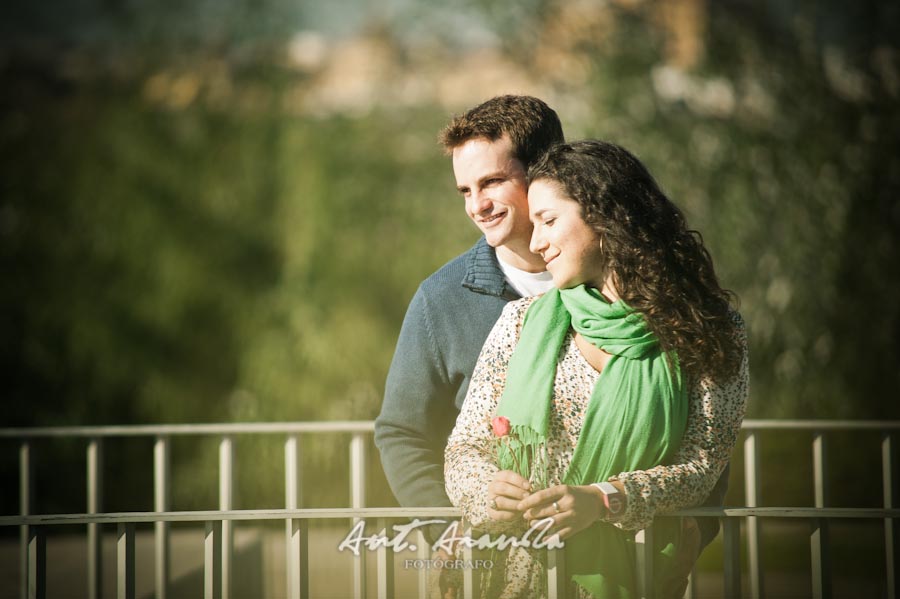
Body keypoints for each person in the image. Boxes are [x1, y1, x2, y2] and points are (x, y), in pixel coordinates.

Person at [445, 140, 749, 598]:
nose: (536, 241)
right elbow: (464, 449)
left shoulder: (708, 328)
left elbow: (702, 466)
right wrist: (488, 488)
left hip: (637, 571)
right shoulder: (523, 321)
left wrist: (604, 499)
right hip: (517, 573)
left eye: (548, 220)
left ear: (608, 218)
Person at [374, 96, 564, 547]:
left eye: (492, 182)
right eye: (465, 190)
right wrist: (445, 531)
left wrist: (696, 526)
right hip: (499, 560)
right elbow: (402, 432)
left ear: (544, 173)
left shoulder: (623, 283)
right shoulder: (439, 299)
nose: (477, 205)